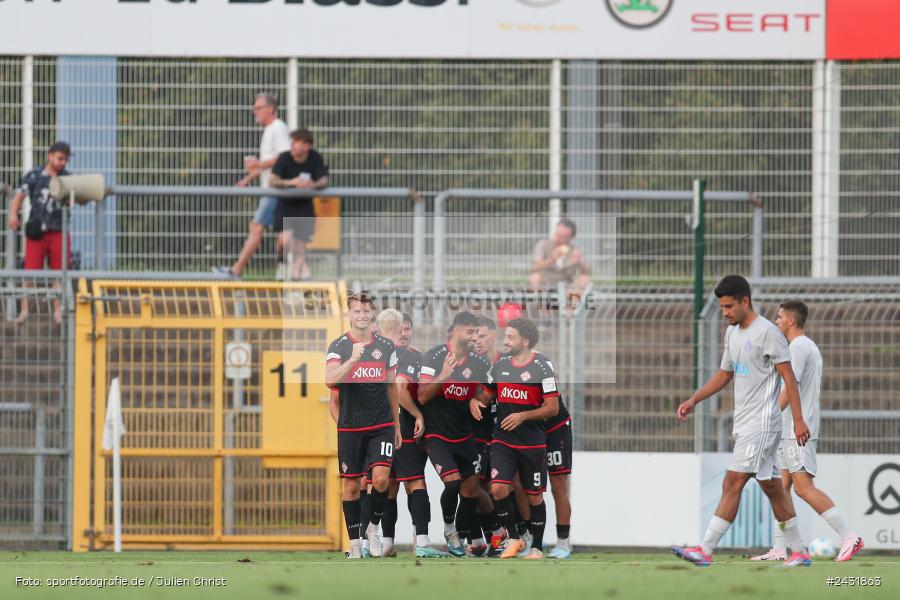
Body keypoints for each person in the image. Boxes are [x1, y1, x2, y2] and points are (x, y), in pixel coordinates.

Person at [672, 275, 812, 567]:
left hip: (762, 425)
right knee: (773, 487)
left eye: (728, 306)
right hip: (746, 424)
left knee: (731, 482)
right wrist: (694, 399)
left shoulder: (768, 333)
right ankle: (799, 552)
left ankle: (705, 550)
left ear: (744, 301)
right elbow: (725, 374)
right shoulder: (732, 334)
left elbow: (789, 378)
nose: (724, 313)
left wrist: (798, 420)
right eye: (721, 307)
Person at [750, 301, 864, 562]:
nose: (776, 321)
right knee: (782, 488)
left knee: (803, 488)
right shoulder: (801, 346)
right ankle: (780, 548)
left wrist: (766, 418)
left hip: (797, 430)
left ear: (790, 321)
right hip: (790, 428)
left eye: (779, 317)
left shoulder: (799, 348)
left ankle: (849, 536)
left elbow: (791, 389)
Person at [471, 317, 560, 559]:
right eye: (505, 336)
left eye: (510, 337)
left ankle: (537, 548)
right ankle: (514, 539)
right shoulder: (500, 367)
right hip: (503, 440)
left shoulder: (543, 367)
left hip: (532, 442)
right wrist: (474, 400)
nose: (505, 341)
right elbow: (485, 394)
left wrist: (523, 416)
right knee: (498, 488)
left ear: (525, 340)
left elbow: (552, 407)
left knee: (534, 495)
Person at [325, 292, 401, 559]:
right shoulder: (339, 347)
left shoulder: (386, 347)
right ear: (350, 314)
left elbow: (392, 387)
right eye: (356, 311)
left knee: (381, 481)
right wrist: (353, 360)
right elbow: (330, 381)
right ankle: (355, 542)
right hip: (350, 426)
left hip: (380, 424)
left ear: (372, 314)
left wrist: (397, 425)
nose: (361, 315)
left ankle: (373, 530)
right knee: (351, 487)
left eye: (366, 311)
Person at [417, 312, 493, 557]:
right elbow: (422, 396)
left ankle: (461, 537)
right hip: (437, 434)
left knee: (470, 491)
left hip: (465, 435)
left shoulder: (479, 363)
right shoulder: (435, 356)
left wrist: (475, 398)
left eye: (477, 333)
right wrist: (443, 376)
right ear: (457, 330)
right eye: (470, 332)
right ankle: (450, 530)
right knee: (452, 483)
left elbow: (488, 391)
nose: (474, 337)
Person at [376, 310, 447, 558]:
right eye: (400, 329)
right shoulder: (409, 356)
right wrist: (418, 414)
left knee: (387, 484)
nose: (404, 333)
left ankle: (383, 543)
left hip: (379, 427)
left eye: (407, 328)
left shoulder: (375, 354)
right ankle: (423, 541)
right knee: (414, 482)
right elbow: (401, 387)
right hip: (404, 426)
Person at [216, 93, 291, 279]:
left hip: (275, 190)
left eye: (258, 108)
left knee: (256, 227)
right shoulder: (270, 130)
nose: (254, 111)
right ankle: (284, 271)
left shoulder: (277, 128)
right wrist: (248, 178)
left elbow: (284, 157)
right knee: (282, 236)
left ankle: (236, 270)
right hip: (274, 189)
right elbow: (270, 163)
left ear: (270, 109)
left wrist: (257, 165)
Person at [7, 142, 72, 323]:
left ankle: (58, 311)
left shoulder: (67, 178)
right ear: (50, 156)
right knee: (30, 272)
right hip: (37, 232)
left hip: (59, 230)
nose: (62, 163)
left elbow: (77, 198)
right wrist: (13, 213)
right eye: (60, 158)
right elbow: (19, 196)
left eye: (65, 159)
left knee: (59, 272)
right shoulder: (34, 175)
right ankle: (24, 311)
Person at [269, 128, 329, 281]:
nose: (293, 145)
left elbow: (324, 180)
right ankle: (281, 262)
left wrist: (312, 185)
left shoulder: (314, 157)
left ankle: (296, 284)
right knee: (284, 239)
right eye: (293, 142)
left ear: (306, 145)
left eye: (296, 142)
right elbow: (273, 180)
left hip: (304, 207)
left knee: (299, 247)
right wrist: (291, 182)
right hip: (285, 205)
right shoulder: (284, 158)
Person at [529, 218, 590, 296]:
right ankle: (542, 307)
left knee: (584, 278)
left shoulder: (575, 250)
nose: (557, 238)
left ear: (571, 238)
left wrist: (579, 262)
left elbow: (586, 272)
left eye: (563, 237)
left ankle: (571, 307)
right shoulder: (543, 245)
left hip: (567, 284)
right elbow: (535, 267)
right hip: (545, 282)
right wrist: (552, 259)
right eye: (557, 234)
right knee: (534, 277)